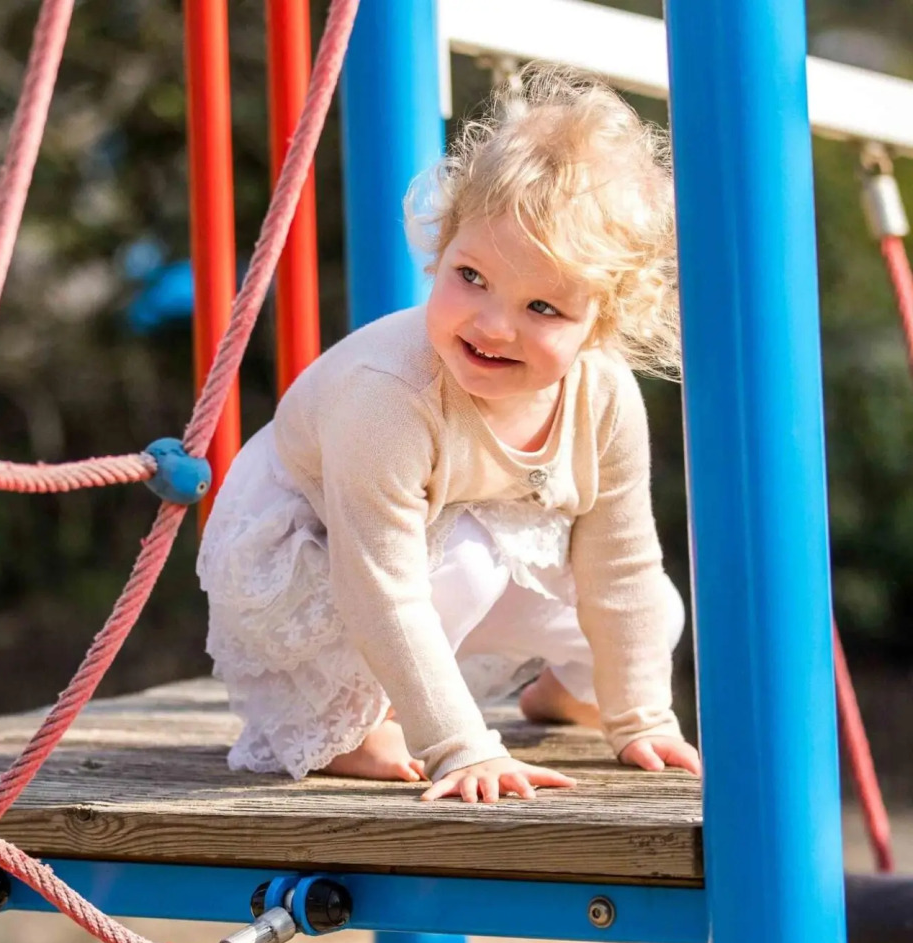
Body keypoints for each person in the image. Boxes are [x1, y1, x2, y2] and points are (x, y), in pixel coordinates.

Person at [196, 63, 701, 803]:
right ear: (444, 244)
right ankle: (365, 720)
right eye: (471, 277)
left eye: (544, 309)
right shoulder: (390, 397)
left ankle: (565, 693)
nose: (494, 325)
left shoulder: (605, 398)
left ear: (605, 322)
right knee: (467, 563)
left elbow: (618, 565)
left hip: (462, 545)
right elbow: (381, 587)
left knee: (655, 604)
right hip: (319, 554)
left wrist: (641, 719)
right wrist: (461, 748)